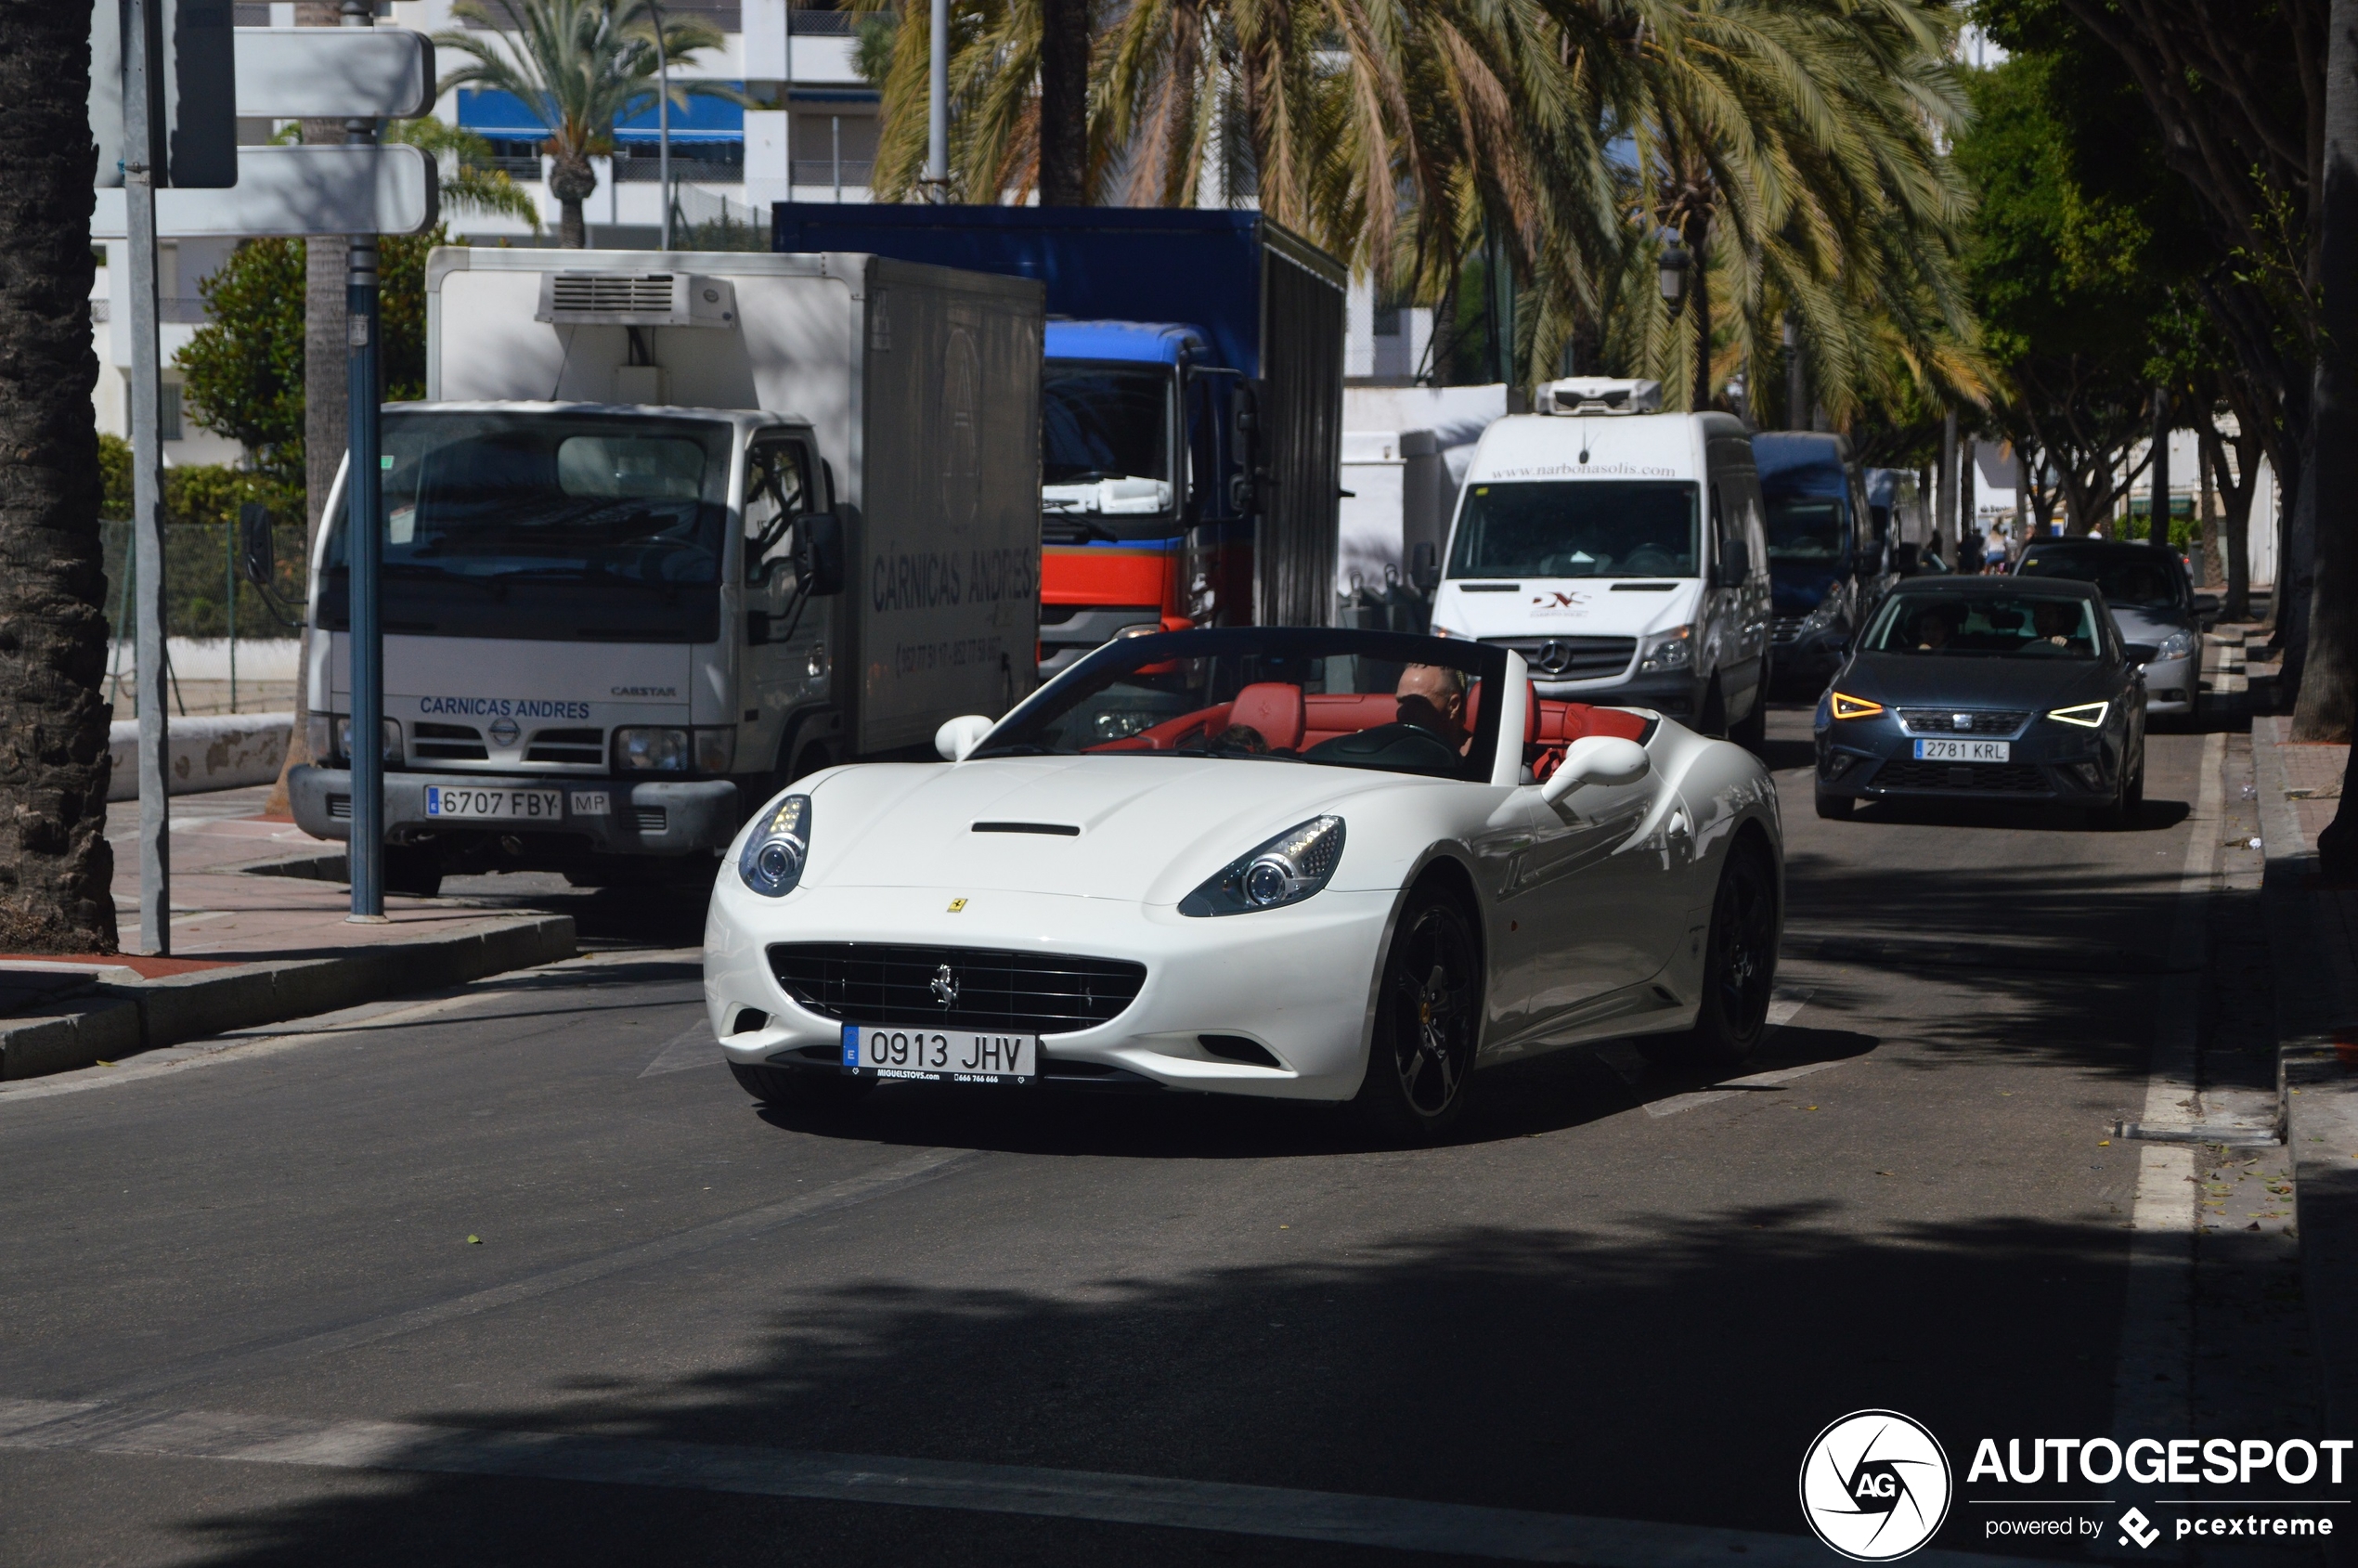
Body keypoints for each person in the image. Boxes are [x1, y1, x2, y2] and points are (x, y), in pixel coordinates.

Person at [1395, 664, 1470, 753]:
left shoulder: (1483, 758)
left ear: (1453, 706)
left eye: (1417, 703)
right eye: (1401, 702)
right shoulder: (1388, 749)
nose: (1402, 713)